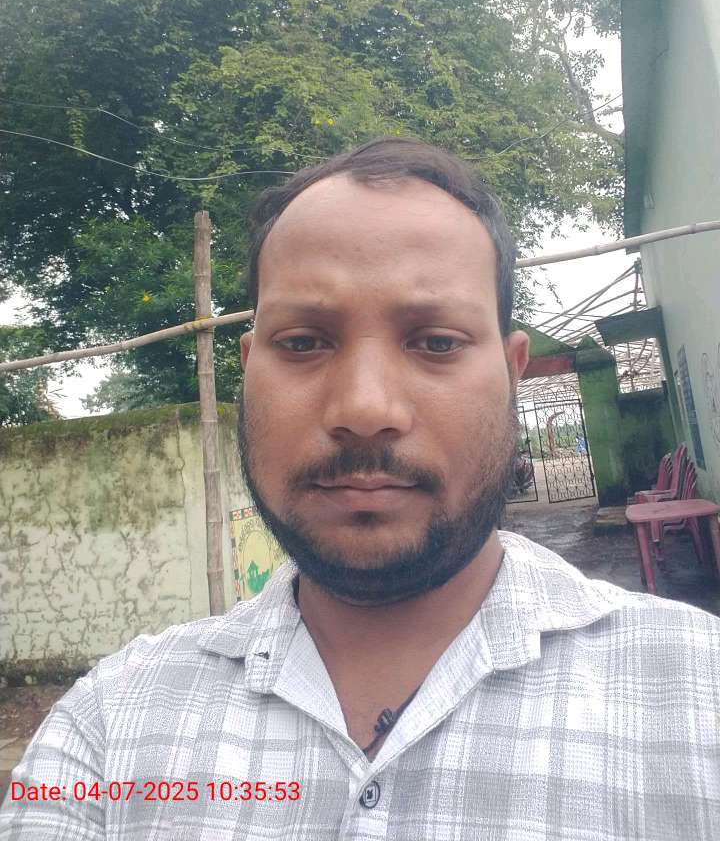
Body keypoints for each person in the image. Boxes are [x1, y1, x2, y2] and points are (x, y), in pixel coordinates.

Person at [1, 137, 719, 840]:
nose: (365, 408)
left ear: (511, 372)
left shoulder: (696, 695)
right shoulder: (112, 725)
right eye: (303, 342)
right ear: (248, 371)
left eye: (436, 342)